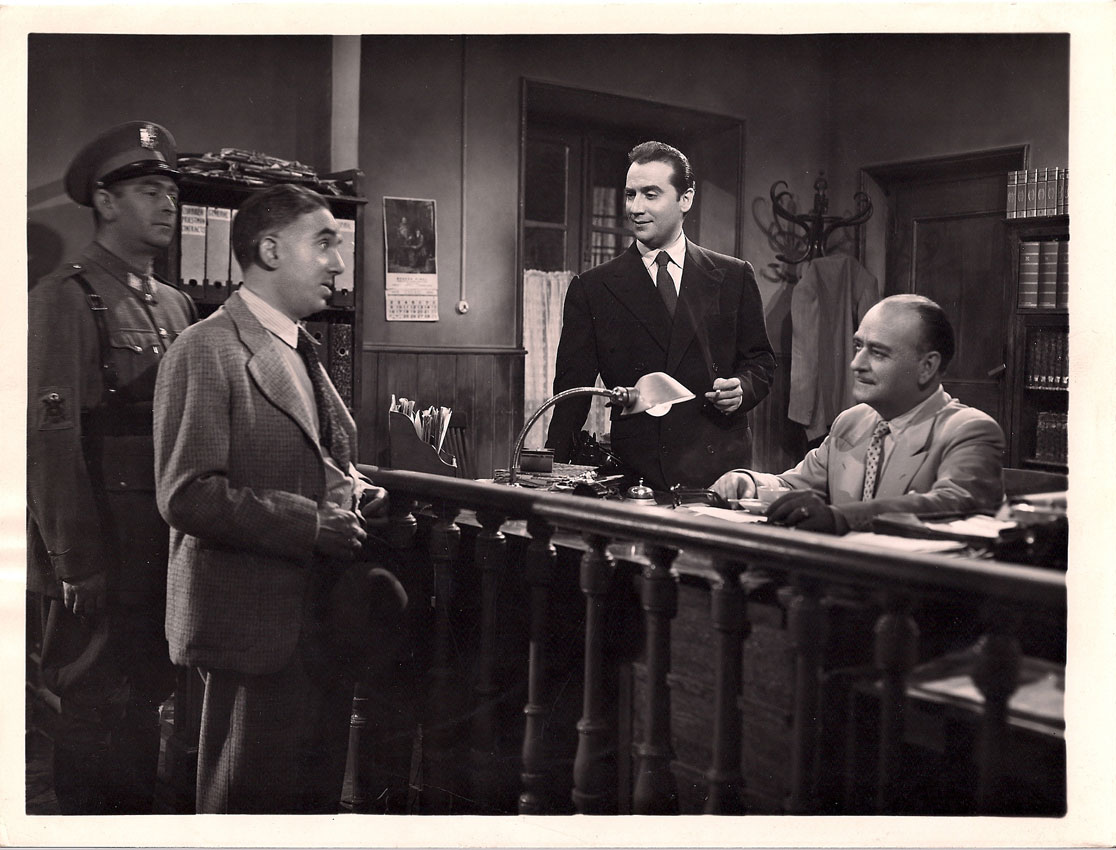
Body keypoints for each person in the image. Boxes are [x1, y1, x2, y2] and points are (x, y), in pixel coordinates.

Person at [152, 183, 408, 814]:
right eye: (323, 243)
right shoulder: (205, 348)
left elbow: (314, 455)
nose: (338, 263)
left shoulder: (297, 343)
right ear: (269, 250)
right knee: (246, 807)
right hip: (253, 625)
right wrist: (310, 524)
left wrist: (355, 491)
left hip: (317, 620)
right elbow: (187, 494)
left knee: (308, 807)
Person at [27, 121, 197, 814]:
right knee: (95, 706)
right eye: (149, 190)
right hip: (101, 547)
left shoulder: (176, 304)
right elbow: (49, 441)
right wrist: (76, 560)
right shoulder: (64, 298)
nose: (168, 204)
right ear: (104, 201)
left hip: (160, 543)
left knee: (147, 698)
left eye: (171, 191)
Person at [546, 140, 775, 490]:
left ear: (686, 199)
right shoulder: (593, 288)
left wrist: (742, 389)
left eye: (650, 195)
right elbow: (571, 396)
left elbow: (760, 361)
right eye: (630, 195)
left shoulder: (734, 276)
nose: (635, 208)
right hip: (638, 471)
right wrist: (549, 474)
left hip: (718, 467)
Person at [712, 294, 1005, 533]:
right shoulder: (851, 421)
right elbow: (796, 484)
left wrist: (841, 517)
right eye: (857, 346)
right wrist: (750, 484)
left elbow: (951, 503)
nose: (856, 364)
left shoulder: (969, 430)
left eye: (877, 353)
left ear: (927, 367)